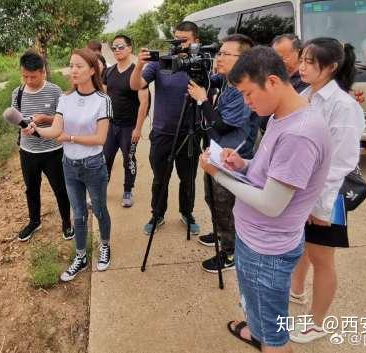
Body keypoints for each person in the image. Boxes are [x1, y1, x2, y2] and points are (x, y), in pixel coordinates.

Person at [200, 46, 331, 352]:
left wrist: (218, 175)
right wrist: (241, 164)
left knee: (275, 337)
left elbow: (272, 204)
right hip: (256, 239)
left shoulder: (299, 133)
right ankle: (256, 330)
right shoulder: (280, 116)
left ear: (272, 81)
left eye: (248, 94)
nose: (246, 103)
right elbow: (270, 170)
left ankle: (264, 338)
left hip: (267, 249)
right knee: (259, 313)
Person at [289, 38, 365, 344]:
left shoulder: (343, 106)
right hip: (303, 189)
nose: (302, 67)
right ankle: (296, 291)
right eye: (302, 60)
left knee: (322, 259)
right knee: (303, 247)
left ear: (331, 67)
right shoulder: (307, 94)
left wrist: (320, 207)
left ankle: (317, 323)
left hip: (325, 197)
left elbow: (341, 163)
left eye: (310, 62)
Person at [26, 48, 113, 282]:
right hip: (69, 164)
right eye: (71, 65)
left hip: (94, 164)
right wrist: (36, 131)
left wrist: (70, 138)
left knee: (100, 209)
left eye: (79, 66)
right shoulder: (65, 99)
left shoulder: (103, 100)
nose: (73, 70)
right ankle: (81, 255)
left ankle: (105, 246)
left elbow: (100, 139)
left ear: (92, 70)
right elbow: (55, 130)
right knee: (79, 214)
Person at [186, 34, 259, 273]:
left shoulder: (242, 88)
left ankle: (231, 252)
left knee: (225, 205)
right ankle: (220, 234)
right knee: (212, 199)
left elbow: (222, 125)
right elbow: (209, 78)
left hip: (232, 157)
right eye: (220, 53)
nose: (220, 58)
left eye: (226, 54)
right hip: (216, 150)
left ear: (243, 58)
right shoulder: (227, 80)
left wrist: (202, 101)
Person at [130, 21, 203, 235]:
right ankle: (157, 214)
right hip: (162, 132)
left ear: (195, 41)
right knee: (160, 177)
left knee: (187, 178)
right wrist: (138, 65)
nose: (179, 44)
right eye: (176, 39)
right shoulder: (161, 62)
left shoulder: (200, 64)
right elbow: (135, 85)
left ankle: (187, 213)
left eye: (185, 40)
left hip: (190, 132)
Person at [11, 50, 73, 242]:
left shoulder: (54, 91)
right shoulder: (18, 92)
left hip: (53, 151)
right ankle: (34, 221)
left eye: (33, 76)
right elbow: (15, 117)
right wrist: (23, 125)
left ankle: (66, 222)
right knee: (31, 188)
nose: (28, 80)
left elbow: (65, 118)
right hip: (28, 151)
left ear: (43, 71)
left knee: (60, 188)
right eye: (25, 76)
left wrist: (45, 118)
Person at [102, 34, 150, 207]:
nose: (117, 50)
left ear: (130, 48)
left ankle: (128, 191)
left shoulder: (137, 73)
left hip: (129, 127)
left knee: (128, 160)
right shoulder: (109, 72)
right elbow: (104, 98)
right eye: (114, 47)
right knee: (105, 159)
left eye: (121, 46)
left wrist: (138, 129)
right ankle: (101, 191)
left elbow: (143, 103)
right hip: (111, 125)